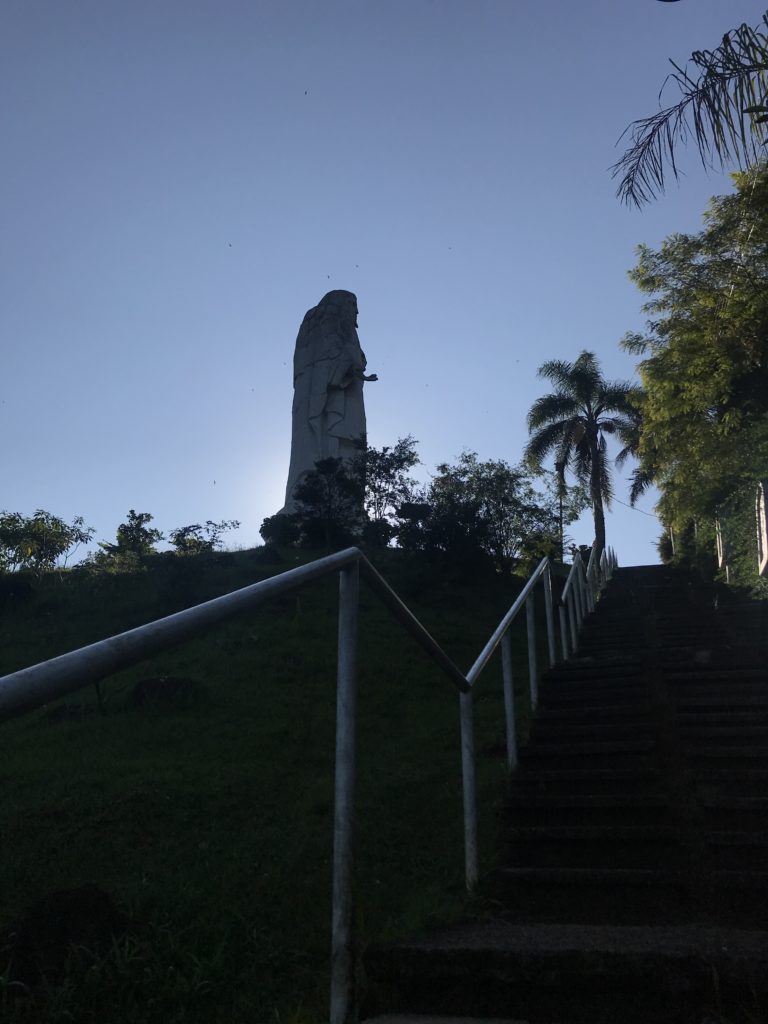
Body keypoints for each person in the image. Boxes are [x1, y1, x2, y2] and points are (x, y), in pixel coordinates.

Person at [281, 290, 377, 513]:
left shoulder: (346, 333)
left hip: (346, 400)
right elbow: (320, 366)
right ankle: (312, 499)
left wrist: (355, 366)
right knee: (321, 446)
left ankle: (345, 501)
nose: (357, 311)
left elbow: (346, 363)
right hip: (323, 403)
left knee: (350, 451)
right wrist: (347, 364)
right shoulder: (319, 324)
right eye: (352, 305)